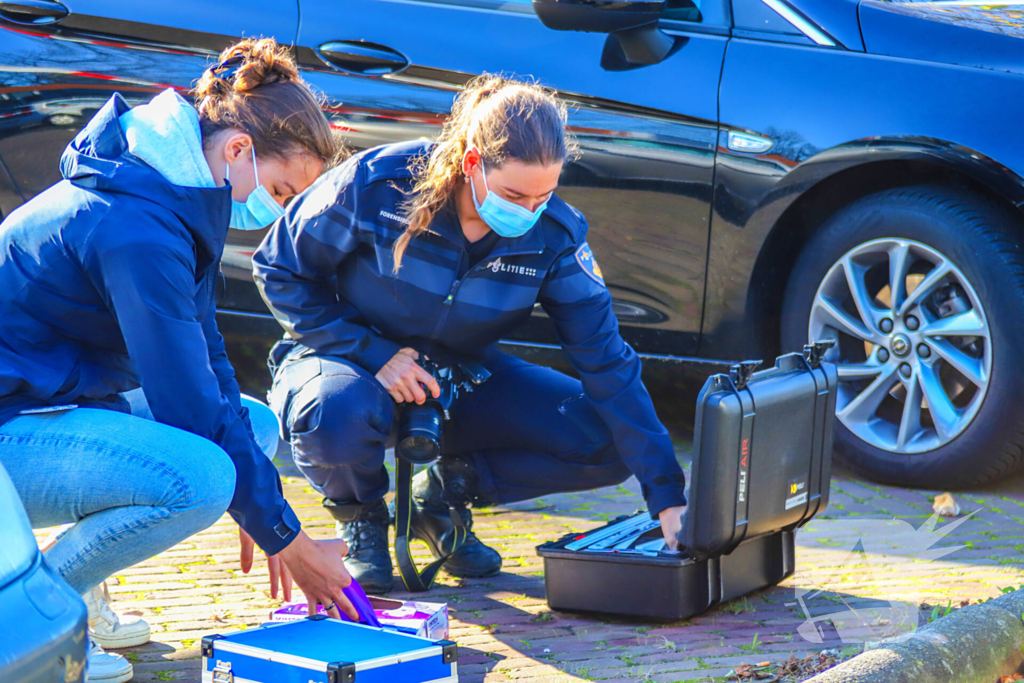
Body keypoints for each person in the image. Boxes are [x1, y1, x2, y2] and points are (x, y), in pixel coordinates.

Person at [0, 38, 358, 683]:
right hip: (12, 427)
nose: (276, 210)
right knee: (201, 477)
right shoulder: (137, 224)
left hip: (53, 398)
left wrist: (268, 505)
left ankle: (75, 589)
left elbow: (208, 358)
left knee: (251, 427)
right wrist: (288, 537)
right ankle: (28, 618)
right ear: (239, 149)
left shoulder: (173, 186)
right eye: (280, 190)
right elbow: (187, 405)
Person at [253, 75, 689, 595]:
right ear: (472, 164)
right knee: (333, 413)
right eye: (513, 195)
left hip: (455, 375)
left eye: (543, 196)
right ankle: (364, 518)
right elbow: (278, 269)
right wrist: (374, 353)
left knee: (606, 441)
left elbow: (608, 364)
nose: (528, 213)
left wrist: (667, 495)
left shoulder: (557, 236)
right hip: (342, 361)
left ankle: (438, 494)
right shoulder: (378, 183)